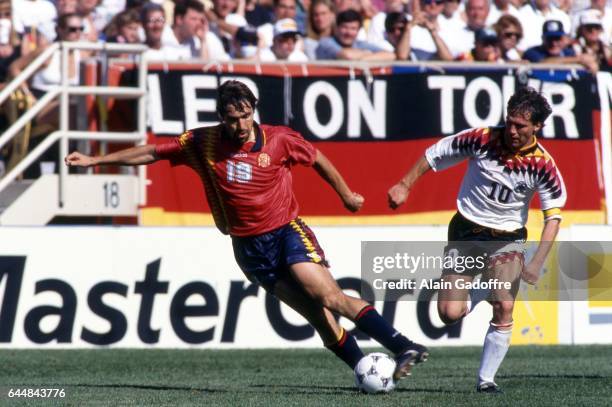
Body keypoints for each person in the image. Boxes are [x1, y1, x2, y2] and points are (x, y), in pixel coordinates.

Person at [65, 80, 429, 381]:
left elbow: (316, 157)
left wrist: (346, 194)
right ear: (220, 117)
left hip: (287, 232)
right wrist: (97, 160)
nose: (240, 125)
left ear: (254, 110)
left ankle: (402, 346)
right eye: (232, 118)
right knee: (316, 316)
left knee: (330, 298)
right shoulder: (202, 142)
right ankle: (364, 369)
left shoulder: (278, 139)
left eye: (246, 115)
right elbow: (151, 153)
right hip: (248, 248)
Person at [387, 86, 566, 393]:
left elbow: (553, 219)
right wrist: (404, 185)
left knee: (504, 307)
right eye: (509, 122)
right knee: (448, 314)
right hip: (466, 231)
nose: (511, 129)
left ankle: (486, 380)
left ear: (537, 126)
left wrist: (536, 262)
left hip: (507, 238)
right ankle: (487, 287)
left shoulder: (544, 166)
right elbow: (435, 154)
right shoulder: (481, 138)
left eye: (520, 126)